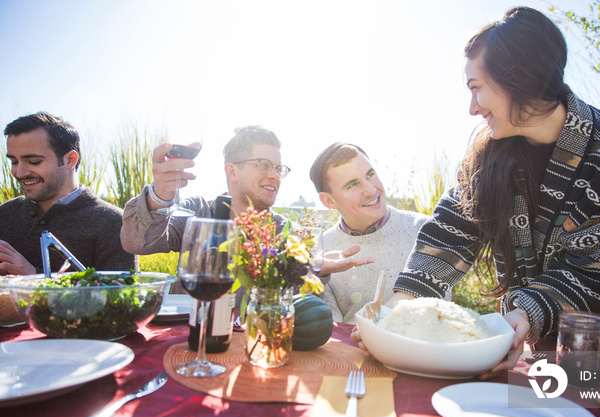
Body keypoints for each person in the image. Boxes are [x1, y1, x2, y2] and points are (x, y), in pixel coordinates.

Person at [354, 7, 600, 373]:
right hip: (540, 326)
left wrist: (525, 312)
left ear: (517, 79)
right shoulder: (490, 151)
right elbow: (451, 232)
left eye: (476, 89)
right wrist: (398, 311)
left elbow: (596, 271)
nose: (473, 108)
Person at [0, 112, 136, 275]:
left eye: (34, 162)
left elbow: (119, 296)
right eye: (14, 162)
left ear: (70, 159)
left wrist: (32, 278)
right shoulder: (4, 213)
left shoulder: (114, 224)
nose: (19, 172)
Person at [309, 142, 432, 323]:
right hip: (348, 350)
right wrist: (318, 274)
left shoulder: (423, 230)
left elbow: (437, 311)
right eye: (352, 185)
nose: (371, 190)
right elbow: (331, 331)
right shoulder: (320, 252)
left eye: (370, 175)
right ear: (328, 201)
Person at [120, 125, 289, 255]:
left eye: (279, 168)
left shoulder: (284, 232)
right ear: (232, 172)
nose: (275, 175)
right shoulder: (198, 212)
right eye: (264, 165)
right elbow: (136, 242)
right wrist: (160, 195)